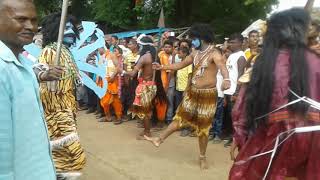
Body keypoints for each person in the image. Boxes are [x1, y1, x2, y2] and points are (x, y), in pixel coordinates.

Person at [229, 8, 320, 180]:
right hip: (316, 140)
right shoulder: (316, 60)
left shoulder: (266, 62)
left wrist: (239, 135)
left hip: (279, 137)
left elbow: (244, 105)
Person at [146, 24, 230, 170]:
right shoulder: (194, 53)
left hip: (207, 96)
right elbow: (180, 65)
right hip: (192, 92)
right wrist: (162, 67)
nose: (192, 41)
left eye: (194, 38)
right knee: (179, 118)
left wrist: (227, 80)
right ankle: (159, 139)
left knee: (203, 129)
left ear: (202, 37)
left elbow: (222, 68)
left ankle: (202, 157)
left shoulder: (214, 53)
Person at [0, 0, 60, 179]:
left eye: (34, 21)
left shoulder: (22, 63)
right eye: (21, 19)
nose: (31, 27)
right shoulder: (2, 69)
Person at [39, 12, 86, 179]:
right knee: (74, 157)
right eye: (65, 28)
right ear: (55, 30)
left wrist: (72, 105)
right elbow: (47, 88)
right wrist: (57, 115)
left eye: (72, 28)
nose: (71, 31)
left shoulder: (66, 51)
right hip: (56, 111)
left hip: (67, 107)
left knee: (64, 157)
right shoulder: (51, 51)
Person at [125, 36, 164, 139]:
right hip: (151, 85)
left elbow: (133, 73)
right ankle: (146, 130)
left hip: (145, 87)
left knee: (144, 111)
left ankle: (147, 133)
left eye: (140, 46)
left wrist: (123, 71)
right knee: (146, 110)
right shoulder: (154, 56)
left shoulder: (145, 57)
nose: (139, 48)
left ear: (144, 46)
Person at [223, 33, 247, 147]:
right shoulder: (231, 55)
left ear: (240, 43)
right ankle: (231, 136)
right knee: (229, 116)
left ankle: (235, 139)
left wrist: (237, 93)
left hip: (234, 92)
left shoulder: (241, 57)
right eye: (230, 42)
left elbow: (240, 76)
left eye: (233, 42)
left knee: (235, 117)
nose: (230, 44)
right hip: (228, 91)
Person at [100, 46, 123, 124]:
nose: (97, 50)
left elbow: (118, 67)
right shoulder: (101, 56)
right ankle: (108, 117)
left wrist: (113, 76)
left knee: (115, 100)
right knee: (104, 100)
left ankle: (119, 117)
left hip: (112, 80)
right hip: (104, 80)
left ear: (102, 47)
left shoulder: (112, 55)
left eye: (97, 48)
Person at [174, 47, 193, 137]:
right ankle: (181, 125)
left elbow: (190, 77)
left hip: (185, 89)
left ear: (185, 54)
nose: (178, 54)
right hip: (178, 88)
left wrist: (186, 90)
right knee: (180, 109)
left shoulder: (188, 64)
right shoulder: (180, 63)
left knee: (186, 109)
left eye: (180, 53)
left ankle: (187, 128)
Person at [122, 38, 140, 120]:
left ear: (135, 45)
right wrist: (126, 77)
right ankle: (130, 114)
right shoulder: (127, 55)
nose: (128, 46)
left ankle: (137, 115)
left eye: (130, 44)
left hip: (138, 78)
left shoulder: (140, 55)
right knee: (130, 96)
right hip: (129, 77)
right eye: (128, 44)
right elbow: (125, 66)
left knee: (138, 96)